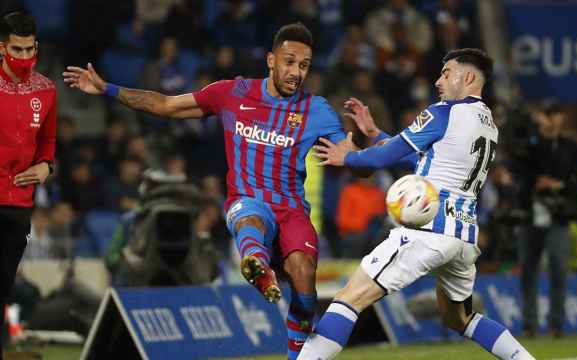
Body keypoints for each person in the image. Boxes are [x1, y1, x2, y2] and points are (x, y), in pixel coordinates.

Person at [64, 23, 373, 359]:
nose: (296, 72)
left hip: (291, 210)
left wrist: (361, 145)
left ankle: (295, 353)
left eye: (304, 65)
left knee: (304, 278)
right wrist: (107, 88)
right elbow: (165, 105)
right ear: (271, 60)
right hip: (247, 200)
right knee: (249, 219)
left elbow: (358, 164)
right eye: (289, 61)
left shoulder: (316, 110)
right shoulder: (233, 93)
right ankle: (256, 263)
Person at [299, 49, 535, 360]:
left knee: (349, 297)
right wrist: (375, 133)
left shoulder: (444, 112)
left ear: (468, 77)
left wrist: (349, 157)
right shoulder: (488, 122)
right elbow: (427, 159)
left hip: (428, 230)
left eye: (446, 72)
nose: (438, 80)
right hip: (463, 237)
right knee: (459, 318)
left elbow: (387, 156)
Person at [0, 12, 57, 355]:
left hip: (19, 202)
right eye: (16, 50)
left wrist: (46, 167)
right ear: (1, 47)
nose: (24, 57)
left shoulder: (46, 89)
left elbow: (48, 141)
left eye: (29, 49)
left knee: (3, 289)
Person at [519, 102, 577, 338]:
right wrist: (535, 182)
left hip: (559, 215)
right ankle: (530, 324)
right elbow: (518, 170)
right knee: (529, 269)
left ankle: (556, 324)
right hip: (530, 214)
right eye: (548, 115)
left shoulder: (571, 147)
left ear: (562, 117)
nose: (552, 119)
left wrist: (560, 184)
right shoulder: (531, 144)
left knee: (559, 267)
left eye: (556, 114)